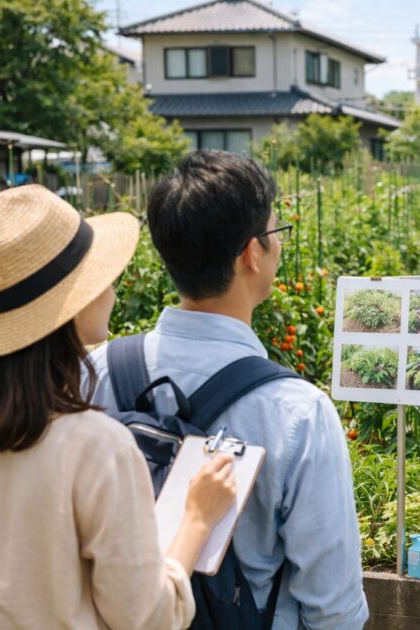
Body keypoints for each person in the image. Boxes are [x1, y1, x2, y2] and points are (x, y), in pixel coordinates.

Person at [85, 150, 369, 629]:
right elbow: (332, 604)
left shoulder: (95, 373)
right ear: (251, 254)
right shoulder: (297, 412)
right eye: (276, 234)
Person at [0, 185, 236, 629]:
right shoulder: (95, 446)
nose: (112, 285)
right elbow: (147, 617)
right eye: (99, 274)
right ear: (70, 306)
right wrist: (196, 518)